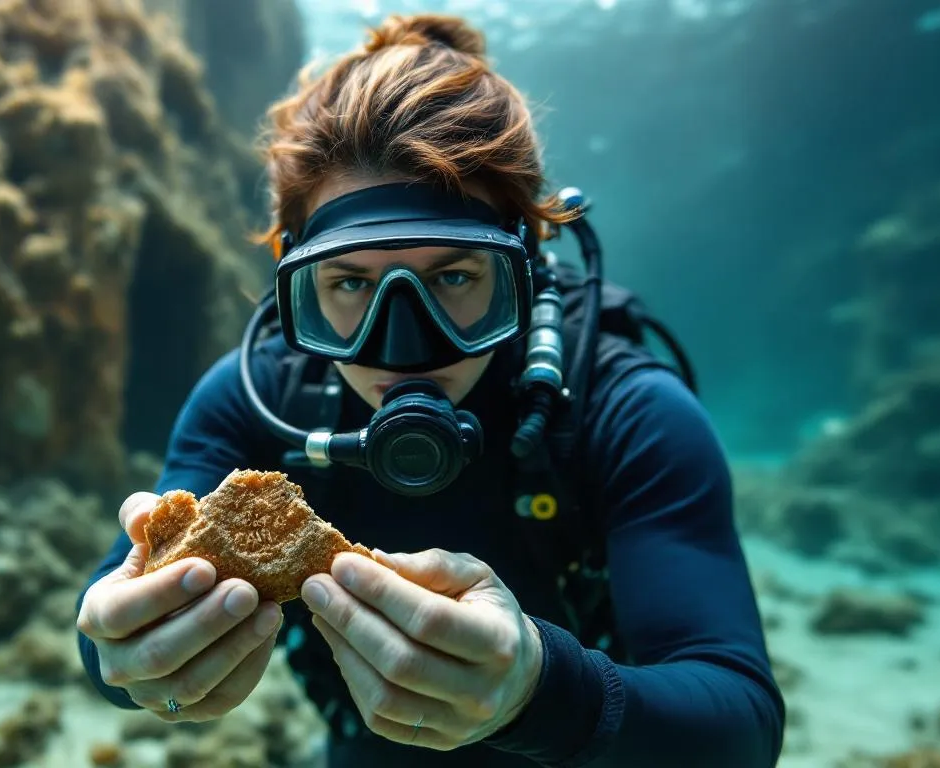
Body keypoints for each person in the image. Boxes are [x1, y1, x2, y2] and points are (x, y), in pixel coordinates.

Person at [76, 12, 785, 767]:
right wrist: (134, 662)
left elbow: (738, 727)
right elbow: (110, 635)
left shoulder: (625, 411)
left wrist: (541, 693)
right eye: (350, 283)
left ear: (525, 266)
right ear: (296, 282)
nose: (405, 347)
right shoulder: (250, 404)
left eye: (452, 276)